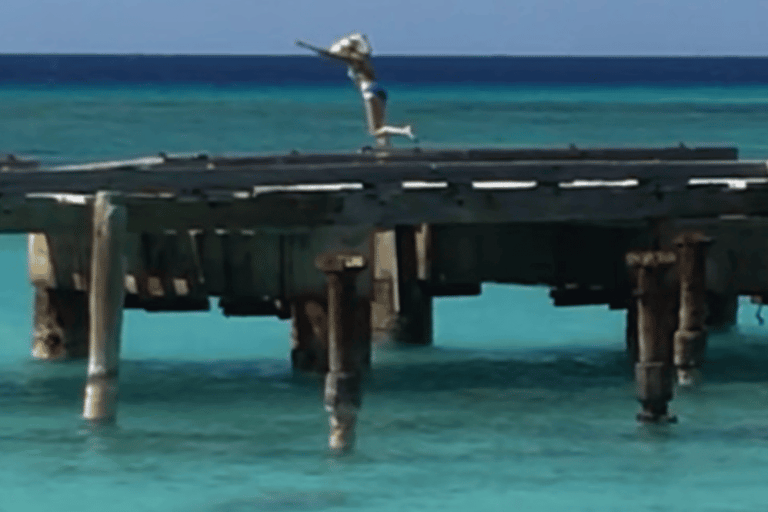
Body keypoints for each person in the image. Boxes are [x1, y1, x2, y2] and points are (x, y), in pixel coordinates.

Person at [298, 33, 415, 147]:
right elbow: (365, 48)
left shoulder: (353, 58)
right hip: (378, 89)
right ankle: (385, 150)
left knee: (374, 131)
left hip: (369, 92)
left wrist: (308, 46)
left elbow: (330, 55)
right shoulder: (363, 57)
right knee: (381, 127)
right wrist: (365, 40)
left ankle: (403, 130)